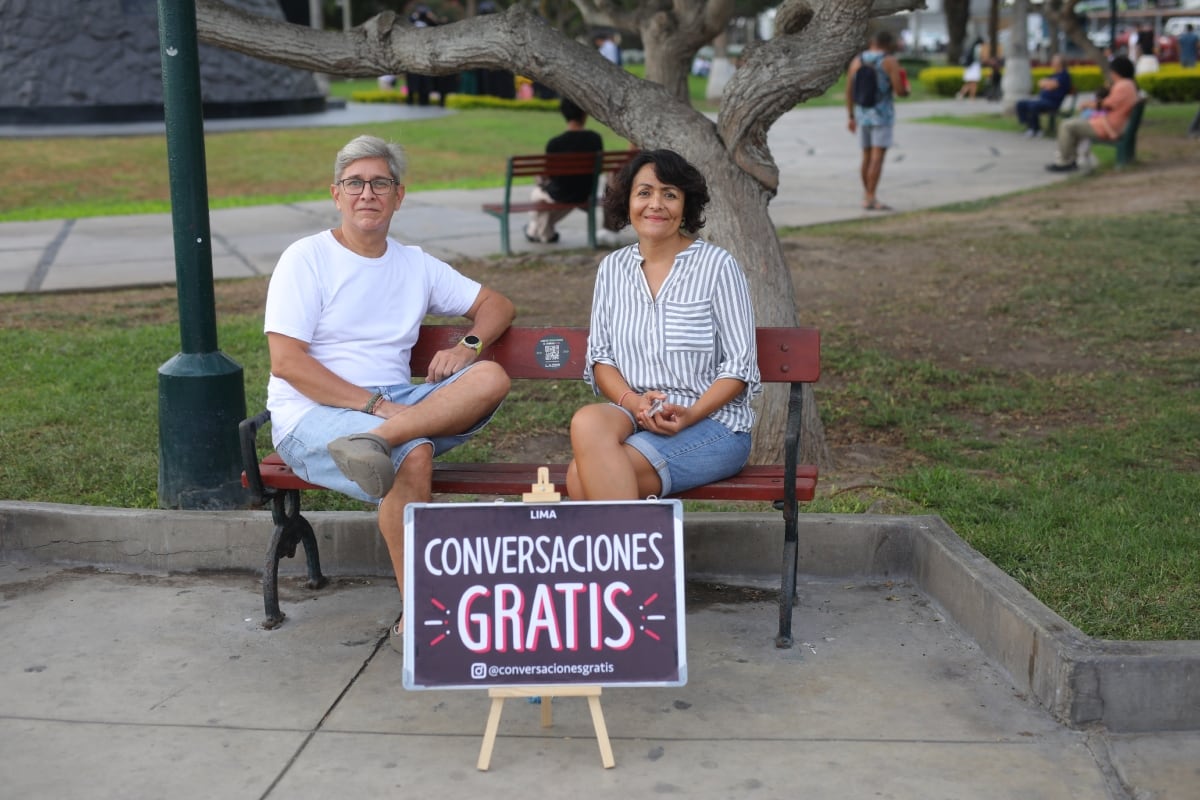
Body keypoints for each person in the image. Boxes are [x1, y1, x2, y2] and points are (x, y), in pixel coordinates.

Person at [263, 134, 516, 644]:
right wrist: (374, 407)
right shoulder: (305, 258)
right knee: (413, 453)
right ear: (336, 194)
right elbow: (287, 363)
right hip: (314, 413)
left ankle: (383, 439)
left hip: (392, 410)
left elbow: (497, 305)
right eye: (355, 183)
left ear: (399, 195)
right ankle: (422, 612)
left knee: (492, 375)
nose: (367, 193)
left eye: (380, 183)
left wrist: (468, 345)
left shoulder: (415, 264)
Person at [565, 149, 760, 501]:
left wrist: (689, 415)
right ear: (627, 202)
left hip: (712, 425)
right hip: (637, 413)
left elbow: (739, 365)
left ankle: (627, 556)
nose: (656, 204)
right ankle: (639, 553)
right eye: (644, 193)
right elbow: (601, 357)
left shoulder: (717, 266)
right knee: (586, 422)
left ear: (686, 206)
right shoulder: (613, 269)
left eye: (669, 194)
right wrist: (634, 401)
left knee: (581, 478)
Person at [846, 29, 910, 211]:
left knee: (865, 157)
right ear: (888, 43)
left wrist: (851, 116)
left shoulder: (857, 61)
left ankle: (867, 195)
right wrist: (907, 90)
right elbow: (900, 91)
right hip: (882, 116)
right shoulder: (889, 61)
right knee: (877, 158)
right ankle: (870, 198)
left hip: (862, 115)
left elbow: (849, 90)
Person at [524, 98, 604, 244]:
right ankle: (542, 232)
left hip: (561, 193)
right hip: (585, 192)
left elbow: (550, 175)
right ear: (584, 114)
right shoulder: (595, 139)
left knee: (537, 195)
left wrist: (540, 179)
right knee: (549, 200)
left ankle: (536, 231)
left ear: (564, 115)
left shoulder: (555, 143)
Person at [1046, 55, 1139, 172]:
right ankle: (1070, 159)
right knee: (1074, 124)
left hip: (1109, 127)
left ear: (1116, 71)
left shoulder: (1122, 86)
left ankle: (1065, 161)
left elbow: (1105, 104)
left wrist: (1087, 104)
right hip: (1113, 124)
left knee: (1066, 125)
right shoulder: (1130, 85)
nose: (1111, 74)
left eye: (1111, 71)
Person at [1016, 54, 1073, 137]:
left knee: (1033, 106)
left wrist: (1047, 84)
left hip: (1053, 103)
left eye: (1054, 62)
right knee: (1021, 104)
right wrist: (1048, 84)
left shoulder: (1065, 75)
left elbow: (1052, 85)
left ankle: (1037, 129)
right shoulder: (1054, 75)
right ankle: (1029, 126)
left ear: (1060, 64)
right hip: (1042, 100)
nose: (1052, 63)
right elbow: (1041, 83)